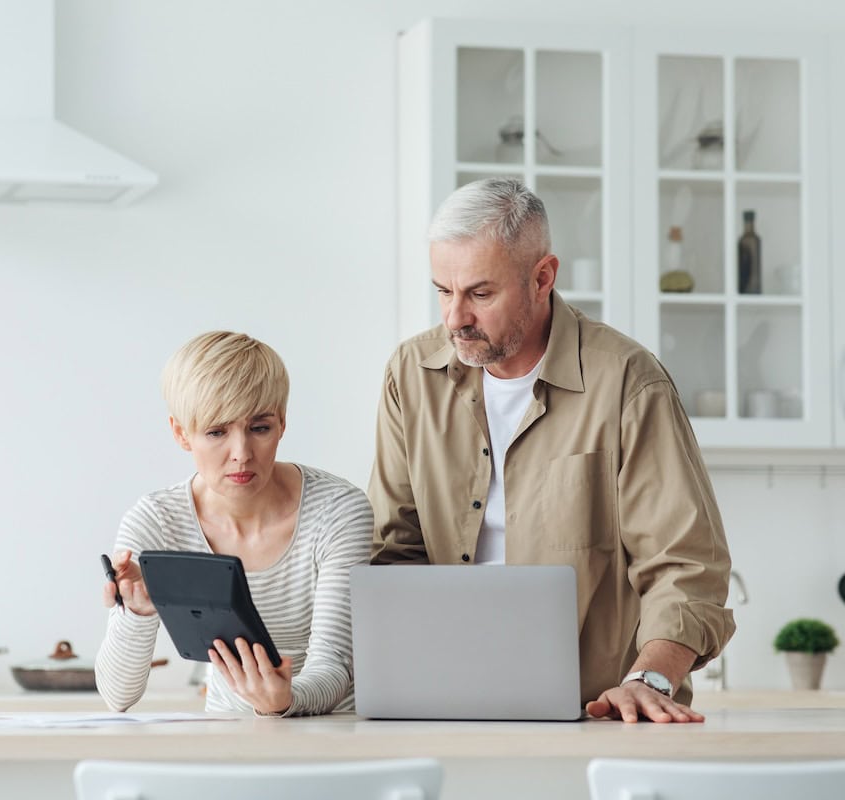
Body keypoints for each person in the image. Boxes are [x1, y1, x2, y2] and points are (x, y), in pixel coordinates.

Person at [368, 177, 735, 723]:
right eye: (443, 290)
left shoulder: (627, 383)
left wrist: (649, 678)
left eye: (480, 293)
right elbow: (393, 552)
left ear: (543, 278)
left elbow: (685, 566)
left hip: (602, 712)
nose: (454, 318)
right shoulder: (411, 375)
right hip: (447, 704)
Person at [96, 331, 373, 716]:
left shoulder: (338, 511)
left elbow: (334, 663)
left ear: (282, 423)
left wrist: (285, 701)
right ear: (181, 433)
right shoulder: (157, 521)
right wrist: (138, 614)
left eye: (260, 428)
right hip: (228, 735)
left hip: (333, 730)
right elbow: (117, 694)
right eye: (216, 432)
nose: (241, 454)